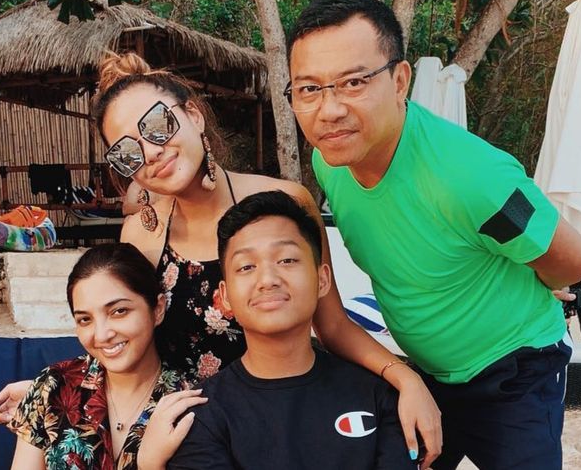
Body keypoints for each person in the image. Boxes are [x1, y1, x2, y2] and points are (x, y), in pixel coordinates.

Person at [0, 51, 441, 465]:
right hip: (190, 430)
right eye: (127, 150)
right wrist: (53, 388)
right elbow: (127, 332)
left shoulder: (281, 206)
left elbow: (333, 324)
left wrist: (405, 379)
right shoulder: (142, 234)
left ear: (193, 115)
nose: (151, 153)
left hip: (283, 411)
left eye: (158, 125)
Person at [284, 0, 581, 470]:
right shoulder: (331, 162)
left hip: (515, 370)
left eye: (353, 82)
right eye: (309, 89)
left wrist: (532, 284)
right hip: (427, 373)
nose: (329, 110)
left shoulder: (473, 179)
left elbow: (573, 262)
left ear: (400, 80)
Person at [169, 191, 416, 469]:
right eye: (246, 266)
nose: (268, 279)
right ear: (224, 296)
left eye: (286, 260)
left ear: (322, 279)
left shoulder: (376, 396)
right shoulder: (202, 416)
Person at [7, 243, 205, 469]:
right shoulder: (51, 388)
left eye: (119, 311)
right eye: (85, 319)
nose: (101, 335)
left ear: (158, 309)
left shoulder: (189, 404)